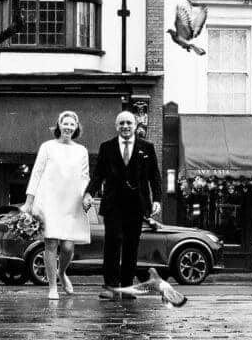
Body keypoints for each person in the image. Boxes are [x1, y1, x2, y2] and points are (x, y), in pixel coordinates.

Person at [83, 111, 162, 297]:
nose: (125, 126)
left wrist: (157, 199)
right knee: (112, 245)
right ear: (116, 126)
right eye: (121, 123)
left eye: (129, 123)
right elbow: (98, 175)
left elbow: (155, 177)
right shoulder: (107, 147)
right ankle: (110, 288)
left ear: (135, 125)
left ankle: (127, 288)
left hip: (137, 205)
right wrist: (88, 193)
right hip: (113, 205)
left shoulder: (147, 148)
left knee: (131, 246)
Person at [24, 110, 91, 300]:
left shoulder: (81, 151)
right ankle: (52, 286)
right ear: (59, 125)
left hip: (71, 202)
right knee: (51, 243)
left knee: (68, 246)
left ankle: (62, 273)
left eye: (72, 124)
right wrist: (29, 201)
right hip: (49, 200)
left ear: (76, 127)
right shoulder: (47, 147)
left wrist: (86, 195)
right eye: (65, 123)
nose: (68, 127)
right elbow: (36, 173)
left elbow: (84, 176)